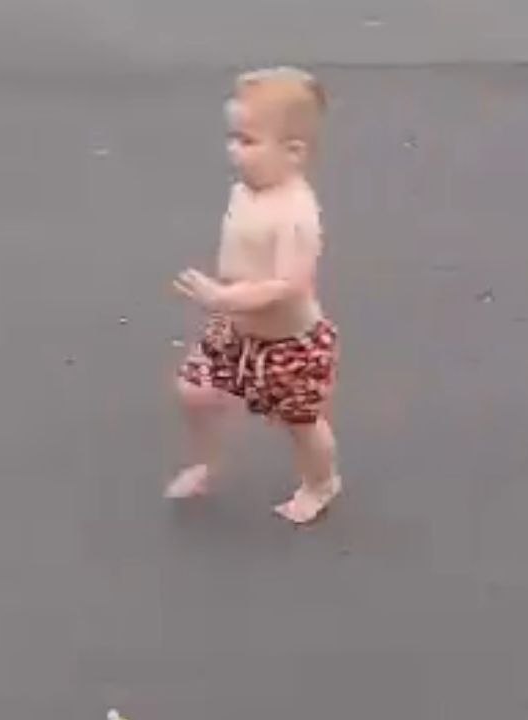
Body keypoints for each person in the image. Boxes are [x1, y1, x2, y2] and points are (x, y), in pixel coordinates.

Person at [169, 66, 342, 525]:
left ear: (293, 152)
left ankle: (321, 482)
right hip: (237, 329)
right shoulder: (246, 190)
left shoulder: (297, 214)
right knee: (193, 391)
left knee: (302, 425)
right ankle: (206, 462)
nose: (233, 151)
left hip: (289, 343)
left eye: (247, 141)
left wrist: (222, 297)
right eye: (233, 137)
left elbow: (287, 286)